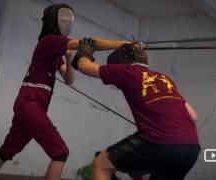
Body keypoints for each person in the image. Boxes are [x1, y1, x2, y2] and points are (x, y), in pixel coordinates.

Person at [0, 4, 129, 180]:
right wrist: (125, 44)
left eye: (69, 19)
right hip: (31, 101)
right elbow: (91, 43)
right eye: (63, 18)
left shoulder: (55, 51)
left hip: (33, 103)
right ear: (53, 21)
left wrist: (68, 56)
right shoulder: (50, 41)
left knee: (6, 152)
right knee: (60, 152)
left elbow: (69, 79)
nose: (67, 22)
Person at [71, 39, 201, 180]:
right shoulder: (164, 78)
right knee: (133, 163)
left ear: (119, 62)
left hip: (159, 142)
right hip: (191, 148)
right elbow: (193, 116)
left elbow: (84, 66)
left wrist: (85, 50)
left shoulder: (127, 71)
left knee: (100, 164)